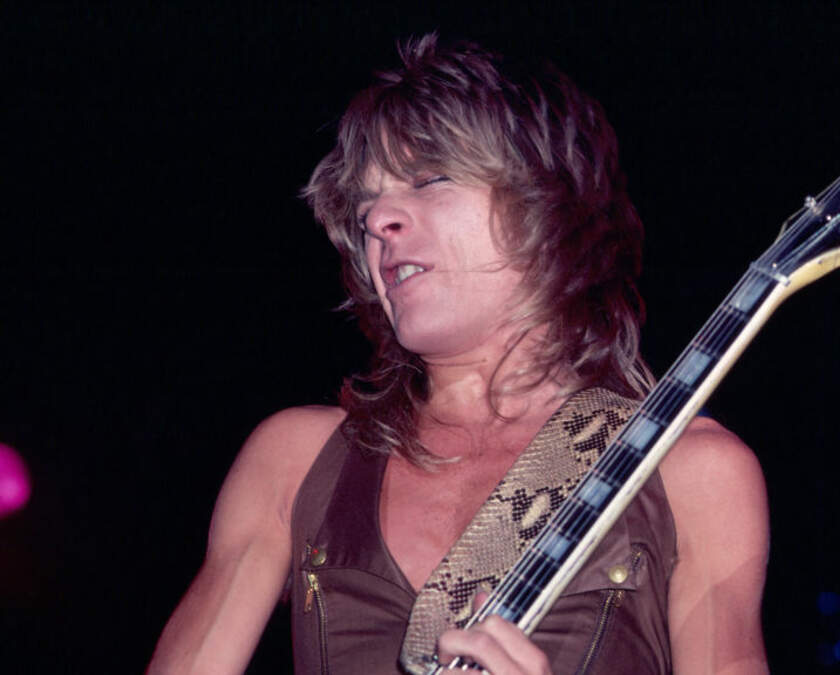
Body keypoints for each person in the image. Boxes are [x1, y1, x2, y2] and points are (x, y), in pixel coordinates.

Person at [149, 33, 768, 674]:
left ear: (548, 206)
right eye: (365, 205)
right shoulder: (293, 460)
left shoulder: (694, 472)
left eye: (429, 180)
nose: (378, 220)